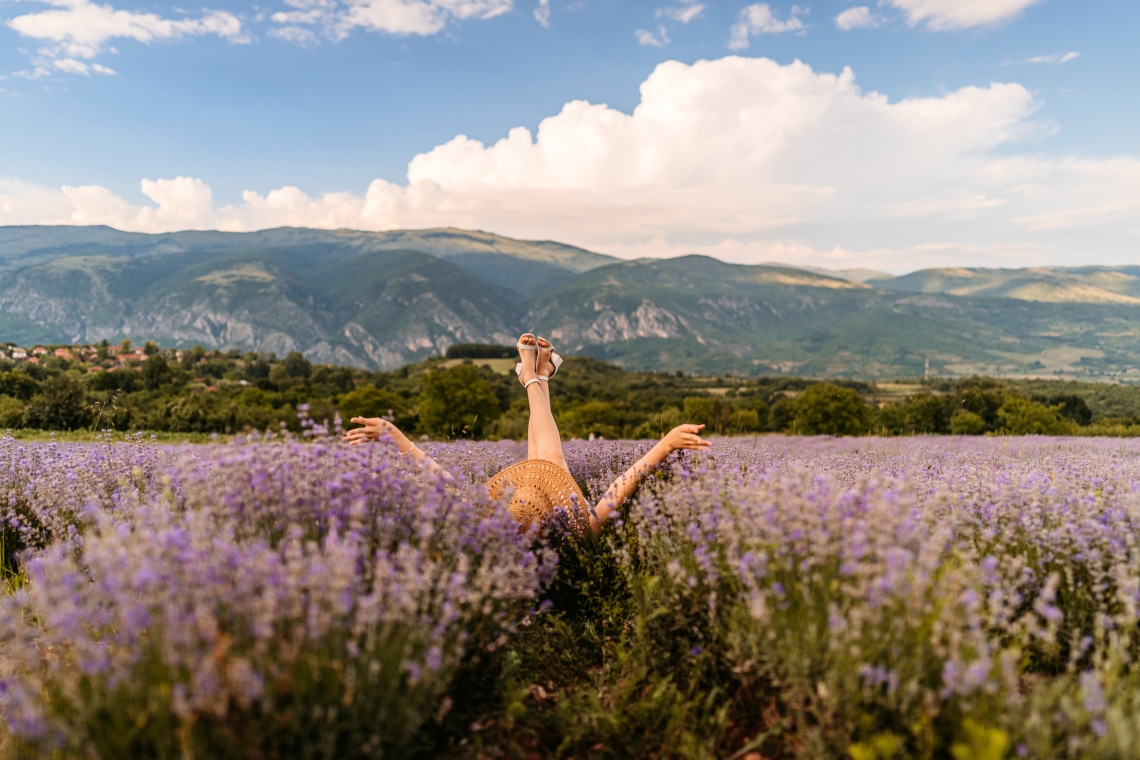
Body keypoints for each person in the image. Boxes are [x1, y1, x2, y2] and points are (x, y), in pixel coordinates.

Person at [343, 334, 711, 534]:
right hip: (558, 530)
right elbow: (619, 489)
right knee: (550, 461)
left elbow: (438, 478)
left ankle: (537, 377)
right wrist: (666, 444)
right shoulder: (578, 532)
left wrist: (394, 434)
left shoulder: (485, 526)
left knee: (548, 461)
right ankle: (534, 378)